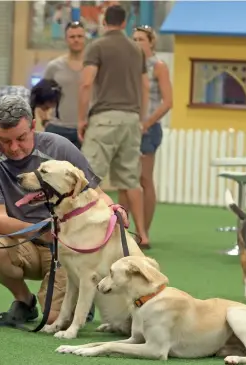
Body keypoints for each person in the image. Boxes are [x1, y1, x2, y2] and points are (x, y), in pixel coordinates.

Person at [0, 94, 129, 325]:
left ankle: (77, 302)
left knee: (53, 320)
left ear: (34, 126)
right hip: (25, 242)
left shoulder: (59, 147)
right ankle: (24, 301)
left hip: (66, 248)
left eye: (21, 138)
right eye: (4, 141)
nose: (14, 148)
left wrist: (114, 207)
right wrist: (45, 229)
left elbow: (94, 192)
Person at [77, 4, 151, 248]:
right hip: (131, 118)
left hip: (105, 117)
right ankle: (142, 234)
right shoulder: (137, 50)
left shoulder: (97, 46)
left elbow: (87, 83)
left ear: (104, 21)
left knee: (89, 175)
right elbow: (144, 86)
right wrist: (141, 117)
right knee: (130, 179)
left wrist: (81, 118)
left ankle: (86, 228)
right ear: (124, 23)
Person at [0, 84, 62, 238]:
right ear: (43, 100)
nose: (48, 111)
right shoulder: (21, 104)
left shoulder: (26, 100)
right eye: (48, 106)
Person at [132, 25, 173, 236]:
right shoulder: (130, 64)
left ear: (151, 42)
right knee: (127, 179)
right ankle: (126, 228)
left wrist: (146, 123)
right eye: (135, 39)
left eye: (141, 39)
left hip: (149, 129)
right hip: (129, 126)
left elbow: (168, 102)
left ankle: (144, 231)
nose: (137, 43)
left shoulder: (158, 66)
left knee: (144, 178)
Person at [42, 21, 87, 149]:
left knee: (84, 168)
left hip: (86, 129)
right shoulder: (54, 66)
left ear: (85, 38)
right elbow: (40, 97)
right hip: (59, 129)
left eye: (79, 36)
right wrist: (45, 121)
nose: (76, 40)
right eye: (72, 37)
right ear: (66, 39)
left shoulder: (93, 66)